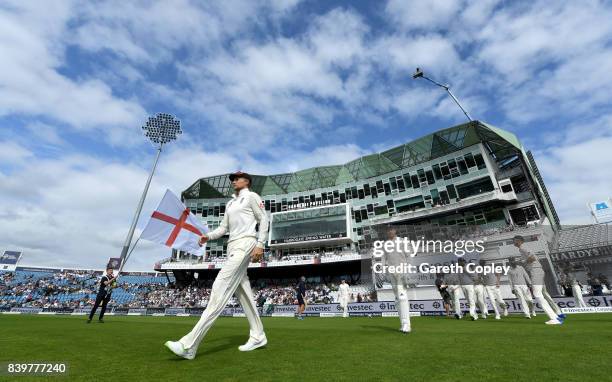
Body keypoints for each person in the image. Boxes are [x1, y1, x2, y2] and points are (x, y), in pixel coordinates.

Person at [165, 171, 269, 360]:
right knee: (243, 293)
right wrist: (208, 236)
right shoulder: (230, 203)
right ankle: (258, 335)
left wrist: (260, 244)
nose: (234, 181)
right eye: (233, 179)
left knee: (219, 289)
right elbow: (223, 228)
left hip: (246, 243)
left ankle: (188, 345)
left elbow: (264, 219)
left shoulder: (252, 196)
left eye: (237, 178)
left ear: (247, 181)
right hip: (232, 246)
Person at [513, 235, 564, 325]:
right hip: (538, 270)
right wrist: (520, 262)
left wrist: (523, 262)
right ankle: (559, 313)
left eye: (514, 240)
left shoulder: (522, 248)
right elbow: (531, 258)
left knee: (537, 294)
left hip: (535, 271)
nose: (513, 242)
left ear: (519, 240)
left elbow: (533, 258)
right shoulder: (523, 248)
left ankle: (554, 318)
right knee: (544, 293)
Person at [384, 227, 412, 333]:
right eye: (388, 230)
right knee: (397, 298)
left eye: (392, 230)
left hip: (401, 270)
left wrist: (407, 270)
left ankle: (406, 325)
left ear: (395, 231)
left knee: (402, 296)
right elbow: (384, 258)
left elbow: (408, 256)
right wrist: (384, 270)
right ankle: (402, 324)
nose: (390, 232)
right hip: (391, 272)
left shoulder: (402, 241)